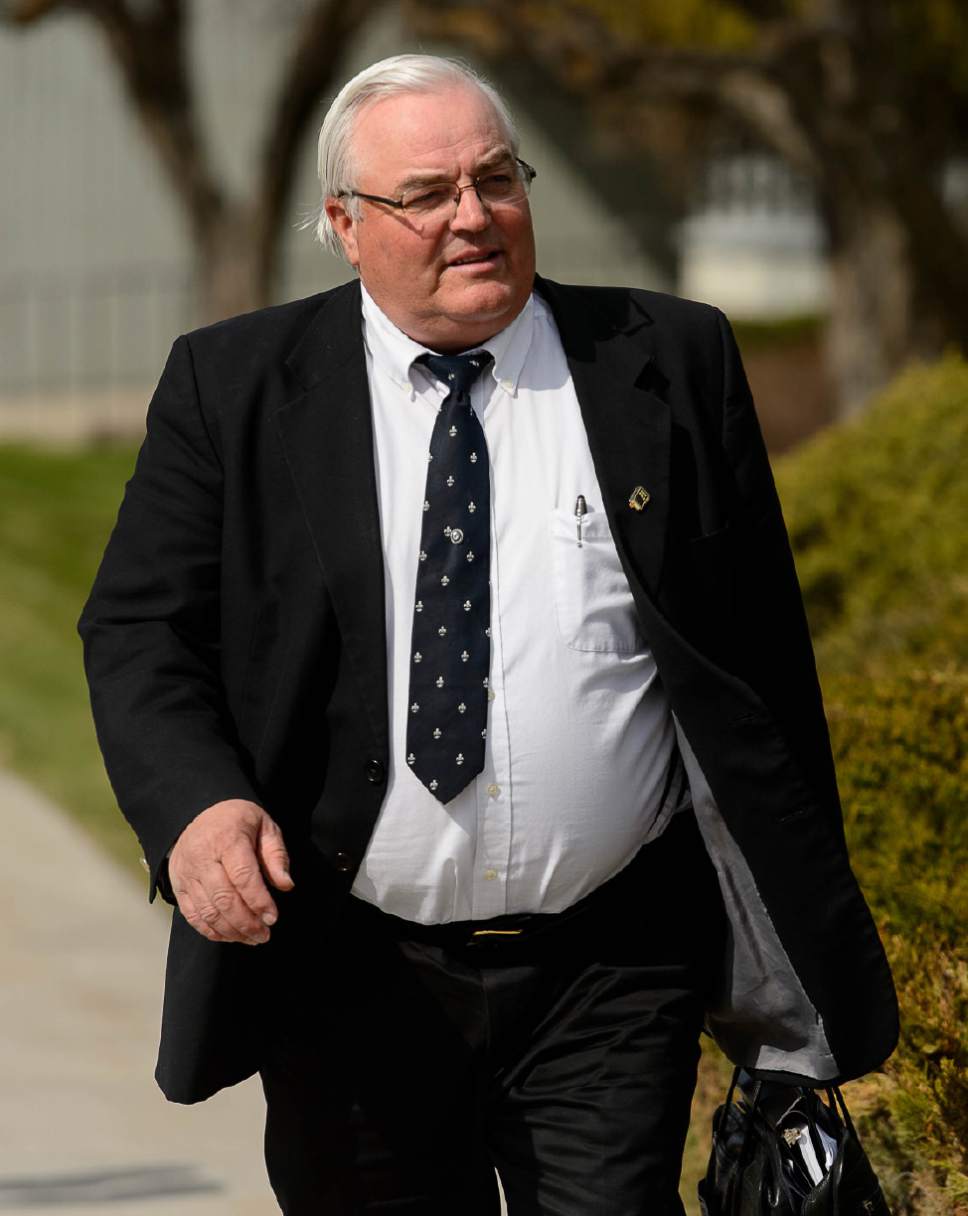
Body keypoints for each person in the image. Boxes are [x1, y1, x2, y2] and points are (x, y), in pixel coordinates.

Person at [79, 53, 897, 1216]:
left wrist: (792, 976)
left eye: (497, 178)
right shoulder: (236, 386)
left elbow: (757, 663)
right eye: (425, 195)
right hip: (351, 969)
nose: (473, 217)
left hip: (610, 965)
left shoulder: (666, 361)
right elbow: (138, 628)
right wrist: (195, 804)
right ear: (344, 225)